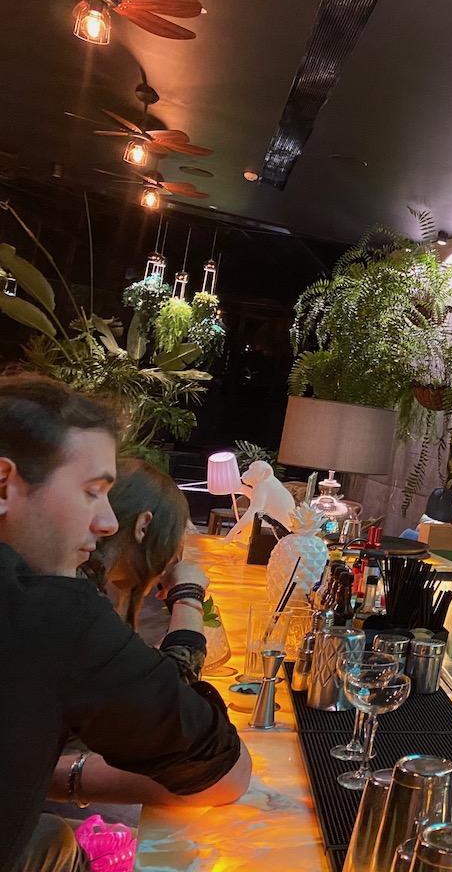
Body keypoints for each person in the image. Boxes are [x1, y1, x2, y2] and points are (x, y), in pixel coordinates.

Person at [0, 374, 251, 872]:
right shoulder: (54, 612)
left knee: (51, 838)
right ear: (3, 485)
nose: (107, 521)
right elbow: (226, 771)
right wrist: (187, 596)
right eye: (92, 492)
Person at [83, 457, 209, 683]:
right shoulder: (82, 601)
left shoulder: (81, 579)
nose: (173, 560)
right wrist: (188, 594)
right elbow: (170, 689)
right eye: (173, 542)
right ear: (143, 526)